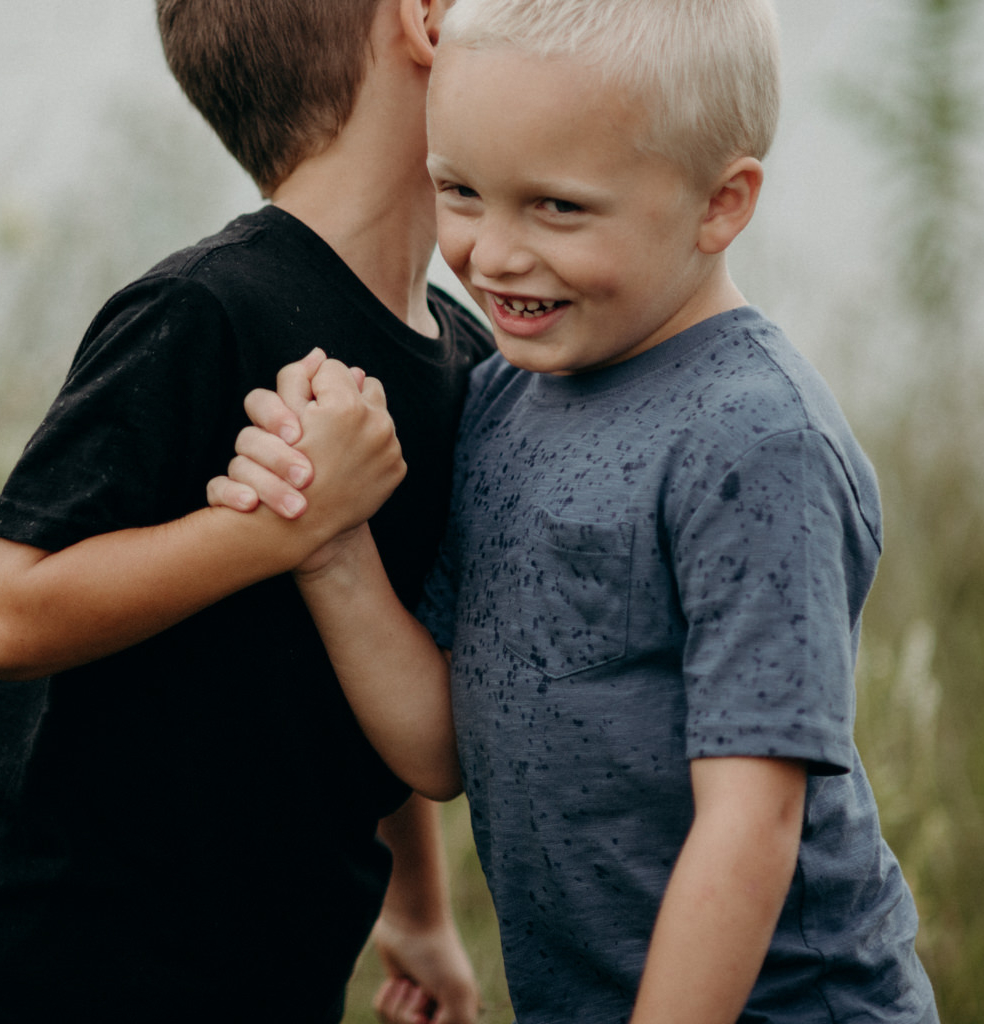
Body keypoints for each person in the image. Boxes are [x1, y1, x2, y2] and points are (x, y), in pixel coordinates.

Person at [212, 0, 940, 1020]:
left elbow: (750, 823)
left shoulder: (752, 439)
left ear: (719, 205)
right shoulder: (505, 400)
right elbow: (440, 748)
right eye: (460, 191)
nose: (493, 254)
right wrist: (330, 541)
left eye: (555, 208)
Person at [0, 2, 492, 1022]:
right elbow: (12, 613)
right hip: (27, 968)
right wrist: (277, 529)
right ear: (422, 20)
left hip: (258, 980)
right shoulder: (207, 309)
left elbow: (384, 661)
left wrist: (418, 908)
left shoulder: (473, 365)